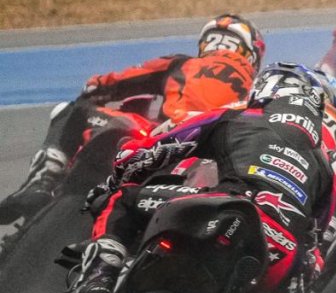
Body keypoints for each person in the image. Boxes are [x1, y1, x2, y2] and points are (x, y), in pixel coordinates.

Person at [37, 62, 336, 293]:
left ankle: (101, 275)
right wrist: (300, 275)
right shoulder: (323, 167)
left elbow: (156, 150)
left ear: (266, 93)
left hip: (219, 205)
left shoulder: (236, 117)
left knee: (121, 200)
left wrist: (116, 178)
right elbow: (316, 238)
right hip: (276, 247)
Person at [0, 13, 264, 224]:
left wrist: (99, 89)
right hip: (210, 164)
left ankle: (41, 184)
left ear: (206, 43)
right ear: (252, 54)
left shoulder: (181, 64)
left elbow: (98, 86)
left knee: (71, 110)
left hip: (157, 140)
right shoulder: (260, 88)